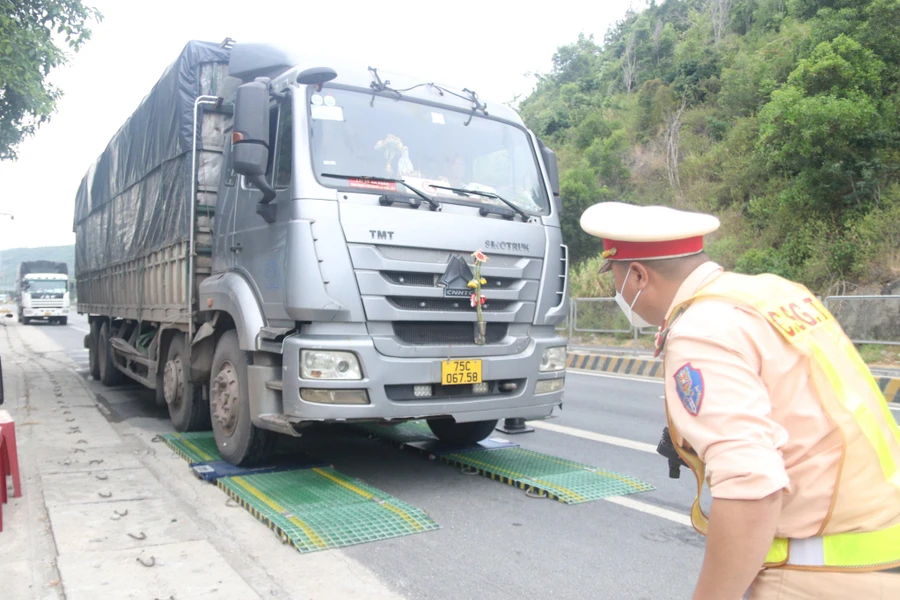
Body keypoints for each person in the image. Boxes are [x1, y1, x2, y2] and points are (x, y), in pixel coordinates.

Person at [579, 201, 900, 600]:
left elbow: (752, 485)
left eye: (615, 278)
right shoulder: (774, 292)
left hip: (819, 574)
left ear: (639, 276)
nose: (617, 292)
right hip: (880, 549)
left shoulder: (701, 330)